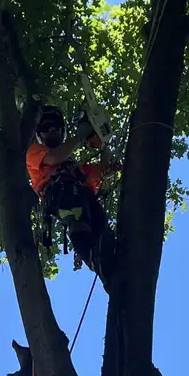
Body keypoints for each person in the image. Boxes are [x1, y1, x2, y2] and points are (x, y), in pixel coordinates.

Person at [26, 105, 117, 291]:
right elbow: (53, 158)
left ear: (62, 131)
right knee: (78, 220)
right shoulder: (35, 153)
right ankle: (94, 259)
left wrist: (104, 143)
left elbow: (103, 170)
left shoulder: (77, 169)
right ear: (39, 134)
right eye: (47, 127)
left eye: (56, 127)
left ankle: (111, 266)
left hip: (81, 194)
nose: (52, 130)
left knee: (100, 221)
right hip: (59, 194)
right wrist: (81, 136)